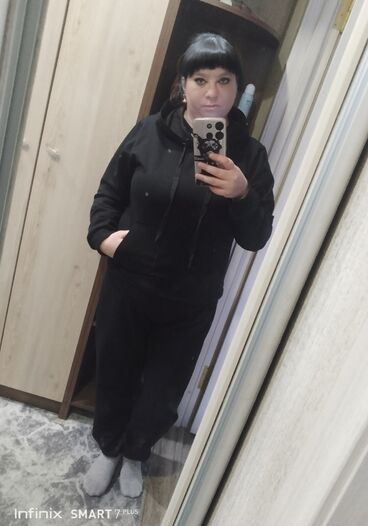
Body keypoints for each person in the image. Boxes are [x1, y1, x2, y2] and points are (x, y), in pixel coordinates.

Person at [83, 32, 274, 498]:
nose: (213, 92)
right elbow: (108, 195)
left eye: (225, 80)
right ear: (183, 85)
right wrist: (105, 239)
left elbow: (256, 237)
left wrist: (242, 194)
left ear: (237, 88)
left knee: (163, 390)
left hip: (191, 301)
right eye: (200, 79)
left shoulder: (249, 156)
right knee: (115, 372)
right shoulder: (148, 132)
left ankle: (136, 453)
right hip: (129, 287)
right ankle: (109, 449)